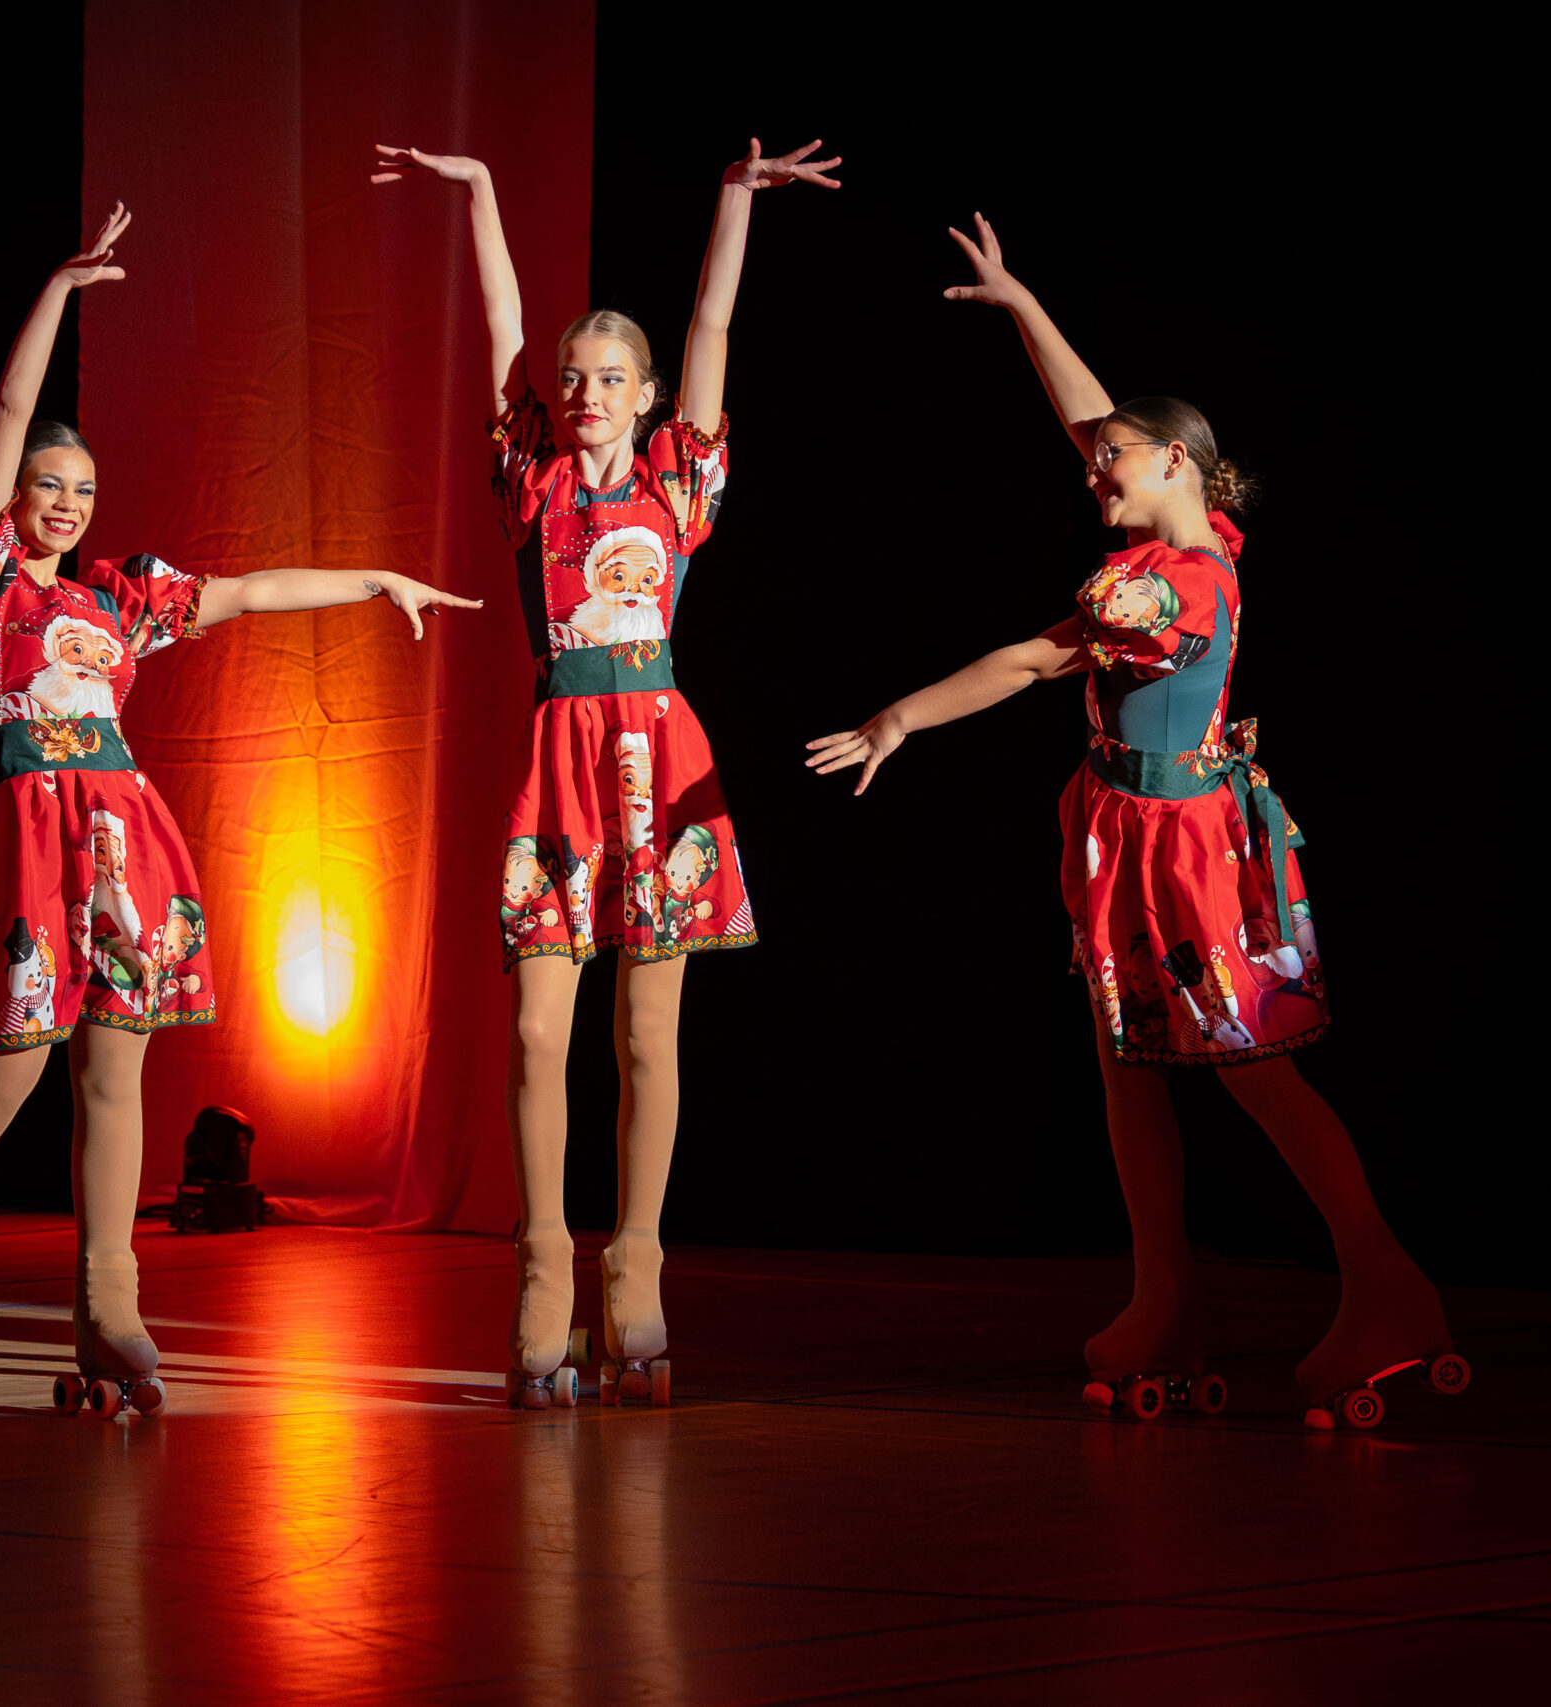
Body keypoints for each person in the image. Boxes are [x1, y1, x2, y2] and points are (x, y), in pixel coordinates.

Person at [0, 208, 480, 1424]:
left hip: (123, 846)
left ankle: (108, 1309)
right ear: (12, 498)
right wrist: (58, 292)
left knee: (118, 1082)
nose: (66, 503)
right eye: (48, 485)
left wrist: (377, 580)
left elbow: (251, 590)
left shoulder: (116, 601)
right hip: (29, 837)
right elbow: (9, 412)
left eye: (84, 490)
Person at [805, 216, 1461, 1430]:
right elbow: (1092, 421)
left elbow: (1030, 659)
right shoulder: (1180, 535)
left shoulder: (1173, 584)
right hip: (1125, 830)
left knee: (1252, 1068)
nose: (1088, 471)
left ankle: (1387, 1288)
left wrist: (901, 717)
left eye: (1110, 461)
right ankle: (1165, 1293)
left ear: (1172, 462)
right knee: (1126, 1059)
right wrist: (1022, 307)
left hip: (1184, 848)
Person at [376, 137, 840, 1407]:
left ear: (645, 397)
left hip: (657, 759)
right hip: (560, 760)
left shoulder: (681, 479)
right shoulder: (528, 478)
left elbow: (711, 323)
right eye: (573, 376)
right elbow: (502, 326)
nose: (585, 392)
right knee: (538, 1030)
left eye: (610, 377)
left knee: (646, 1034)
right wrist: (481, 193)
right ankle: (542, 1263)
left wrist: (733, 200)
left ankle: (636, 1265)